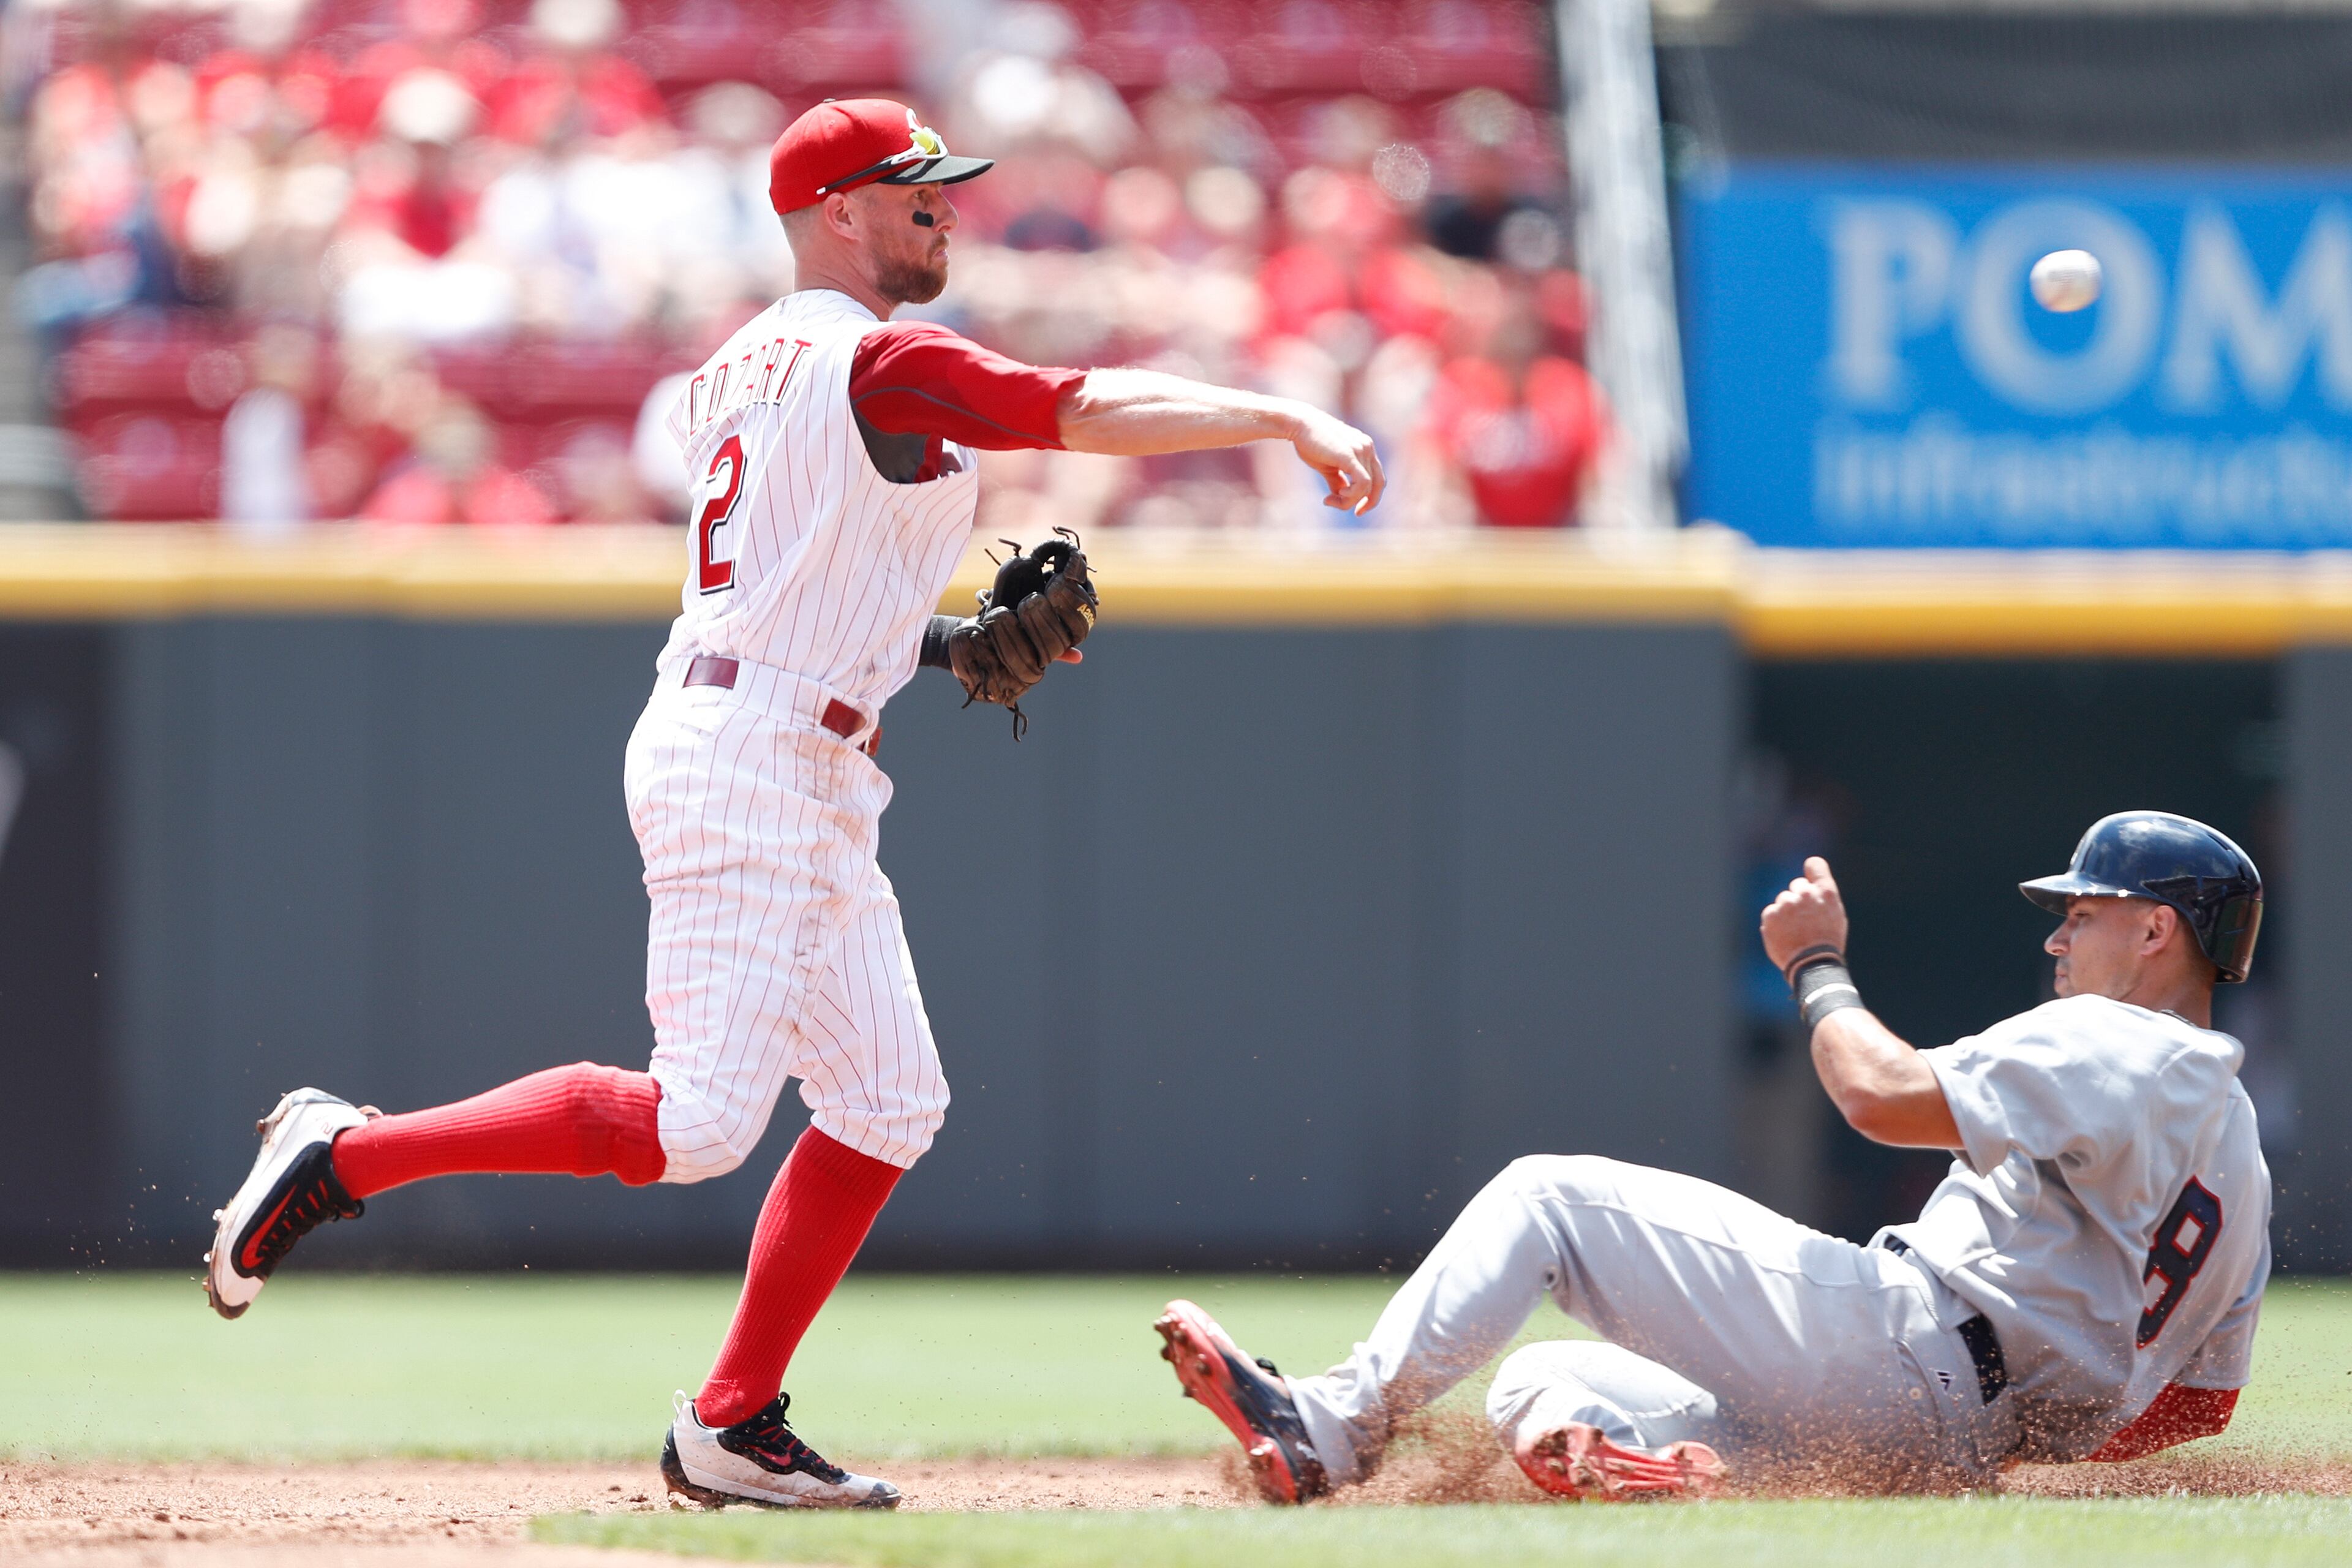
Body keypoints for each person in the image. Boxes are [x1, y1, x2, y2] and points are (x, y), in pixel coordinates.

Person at [203, 97, 1382, 1510]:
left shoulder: (740, 365)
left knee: (888, 1098)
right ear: (839, 210)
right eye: (915, 188)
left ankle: (732, 1418)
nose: (944, 205)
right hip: (752, 749)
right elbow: (1072, 406)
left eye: (944, 185)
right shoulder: (873, 349)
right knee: (697, 1125)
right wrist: (1280, 413)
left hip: (791, 734)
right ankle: (347, 1152)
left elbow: (797, 575)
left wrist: (942, 646)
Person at [1156, 810, 2269, 1502]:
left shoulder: (2112, 1037)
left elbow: (1878, 1097)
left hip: (1906, 1342)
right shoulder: (2242, 1156)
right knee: (1544, 1380)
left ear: (2156, 928)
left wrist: (1818, 963)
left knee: (1550, 1199)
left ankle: (1328, 1433)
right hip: (1938, 1441)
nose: (2058, 934)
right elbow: (2197, 1408)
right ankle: (1656, 1475)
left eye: (2081, 912)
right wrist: (2017, 1433)